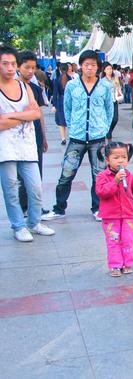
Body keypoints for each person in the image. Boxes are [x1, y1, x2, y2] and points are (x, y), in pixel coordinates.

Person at [42, 50, 114, 222]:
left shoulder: (105, 86)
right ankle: (59, 208)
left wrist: (103, 128)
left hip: (97, 138)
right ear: (81, 66)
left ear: (98, 67)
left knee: (99, 175)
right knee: (67, 173)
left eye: (93, 65)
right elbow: (67, 108)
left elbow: (109, 110)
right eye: (86, 64)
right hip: (77, 138)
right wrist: (73, 127)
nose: (89, 68)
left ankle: (97, 208)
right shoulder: (72, 86)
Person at [0, 45, 55, 242]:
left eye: (12, 64)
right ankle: (18, 226)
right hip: (5, 149)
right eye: (5, 63)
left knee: (36, 187)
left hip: (27, 146)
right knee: (11, 190)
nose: (9, 68)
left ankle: (34, 222)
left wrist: (12, 115)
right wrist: (25, 116)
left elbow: (35, 113)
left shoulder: (24, 87)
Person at [95, 142, 133, 277]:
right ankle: (115, 265)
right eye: (116, 158)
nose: (120, 161)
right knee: (113, 241)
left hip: (129, 215)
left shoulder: (131, 177)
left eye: (123, 157)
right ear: (107, 160)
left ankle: (128, 263)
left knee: (128, 240)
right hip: (111, 217)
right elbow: (101, 192)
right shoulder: (102, 177)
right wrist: (115, 181)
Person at [16, 51, 50, 215]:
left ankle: (35, 207)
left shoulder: (35, 89)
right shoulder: (11, 88)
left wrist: (43, 136)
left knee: (36, 173)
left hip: (35, 135)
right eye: (26, 67)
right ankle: (23, 207)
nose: (30, 71)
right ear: (18, 66)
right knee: (20, 176)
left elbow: (40, 114)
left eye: (33, 68)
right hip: (17, 137)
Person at [51, 62, 71, 145]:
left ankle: (63, 138)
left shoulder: (57, 80)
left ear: (59, 69)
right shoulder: (70, 79)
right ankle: (72, 137)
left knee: (61, 122)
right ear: (67, 69)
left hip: (60, 102)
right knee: (69, 120)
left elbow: (55, 93)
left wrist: (54, 105)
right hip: (69, 101)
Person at [101, 62, 121, 141]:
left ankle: (109, 131)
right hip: (106, 102)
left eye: (110, 69)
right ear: (104, 70)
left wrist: (118, 88)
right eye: (108, 69)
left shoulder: (115, 78)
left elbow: (118, 87)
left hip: (114, 100)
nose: (109, 70)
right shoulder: (102, 81)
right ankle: (107, 133)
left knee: (115, 119)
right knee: (108, 118)